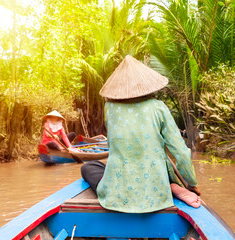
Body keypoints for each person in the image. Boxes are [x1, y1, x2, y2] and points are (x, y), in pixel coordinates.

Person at [81, 55, 202, 213]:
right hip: (156, 189)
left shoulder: (109, 108)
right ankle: (172, 185)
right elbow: (180, 152)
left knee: (88, 167)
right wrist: (191, 183)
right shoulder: (158, 107)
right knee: (158, 162)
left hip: (117, 192)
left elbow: (113, 147)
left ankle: (115, 186)